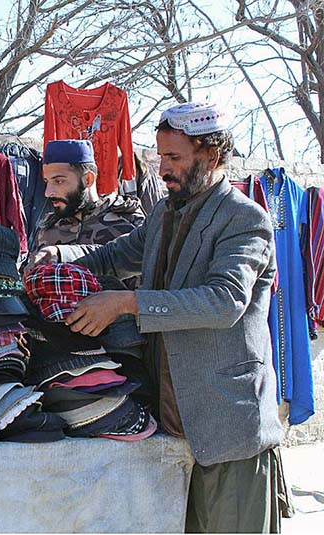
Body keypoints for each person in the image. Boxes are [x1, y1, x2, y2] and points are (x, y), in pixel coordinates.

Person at [29, 102, 286, 533]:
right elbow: (114, 256)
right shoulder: (166, 214)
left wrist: (127, 304)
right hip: (170, 426)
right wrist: (56, 259)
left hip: (226, 428)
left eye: (174, 158)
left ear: (211, 154)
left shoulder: (245, 220)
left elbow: (224, 302)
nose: (163, 169)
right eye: (160, 156)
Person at [34, 139, 145, 259]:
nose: (48, 193)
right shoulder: (47, 227)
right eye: (47, 182)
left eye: (59, 181)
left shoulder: (129, 223)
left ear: (88, 179)